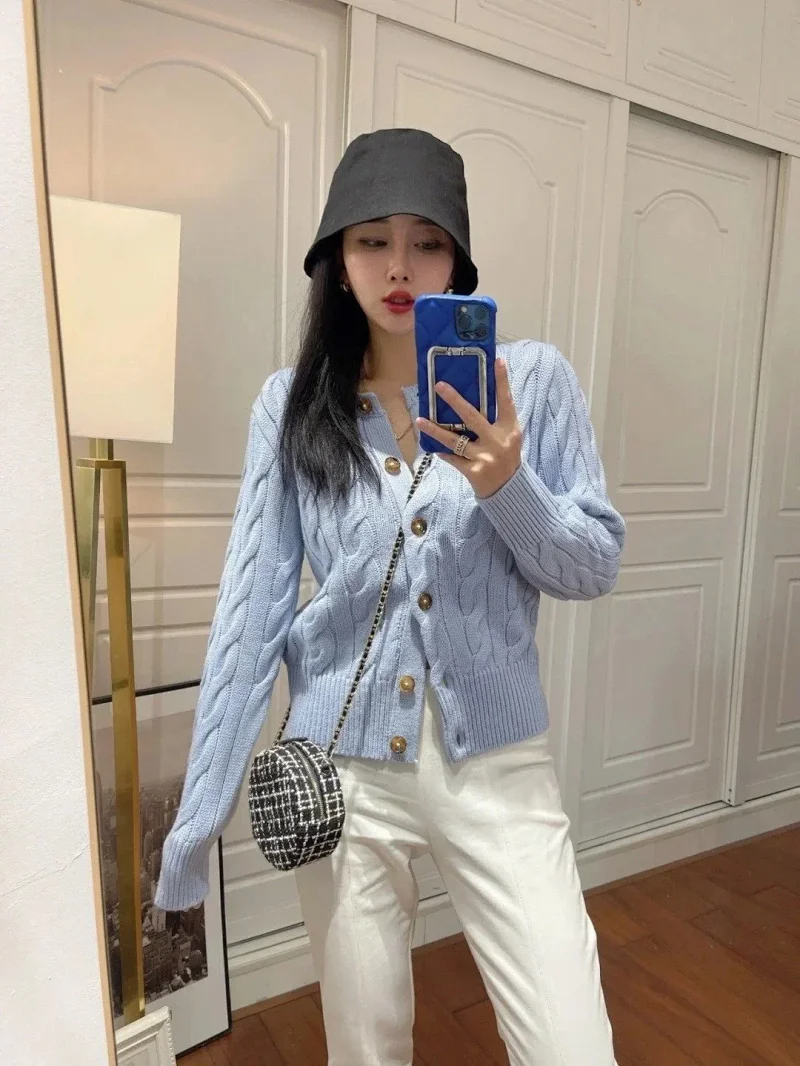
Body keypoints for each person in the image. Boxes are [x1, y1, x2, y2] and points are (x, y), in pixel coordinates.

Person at [155, 128, 625, 1066]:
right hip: (344, 777)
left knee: (570, 1045)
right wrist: (195, 824)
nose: (400, 266)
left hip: (496, 764)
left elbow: (593, 567)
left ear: (458, 260)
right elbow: (252, 611)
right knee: (364, 1048)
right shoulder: (291, 405)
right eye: (373, 240)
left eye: (427, 241)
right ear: (338, 258)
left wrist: (508, 484)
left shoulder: (530, 381)